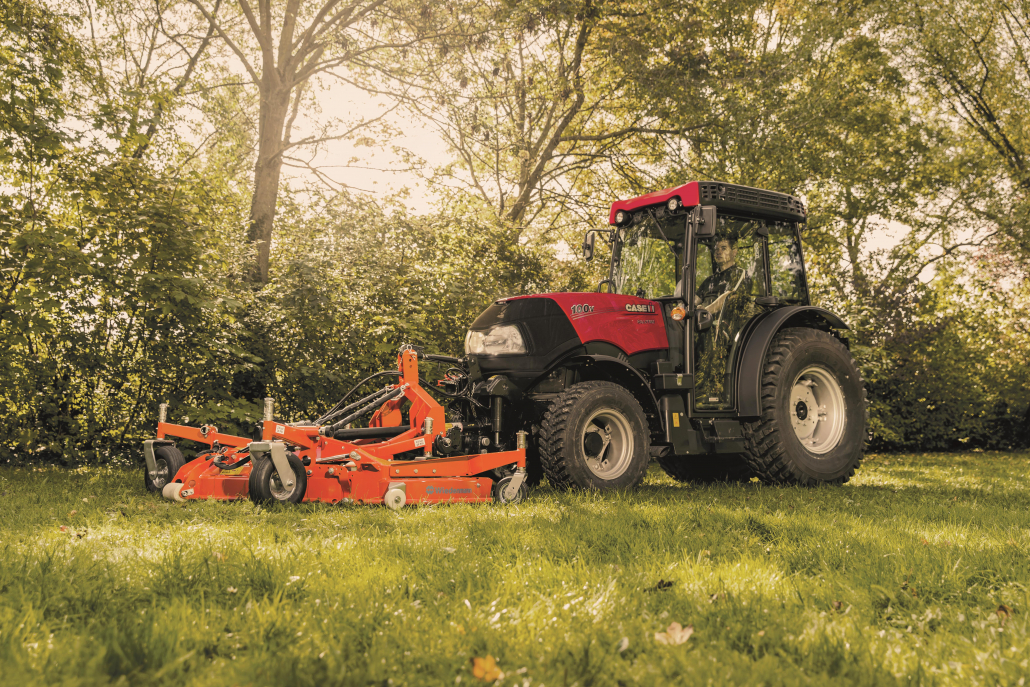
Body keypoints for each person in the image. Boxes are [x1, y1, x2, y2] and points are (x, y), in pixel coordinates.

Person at [694, 236, 753, 405]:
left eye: (724, 248)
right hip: (706, 322)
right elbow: (693, 301)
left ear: (734, 252)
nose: (718, 251)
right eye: (717, 248)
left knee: (709, 334)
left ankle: (712, 394)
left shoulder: (740, 274)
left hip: (730, 327)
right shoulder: (709, 281)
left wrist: (705, 311)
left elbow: (728, 297)